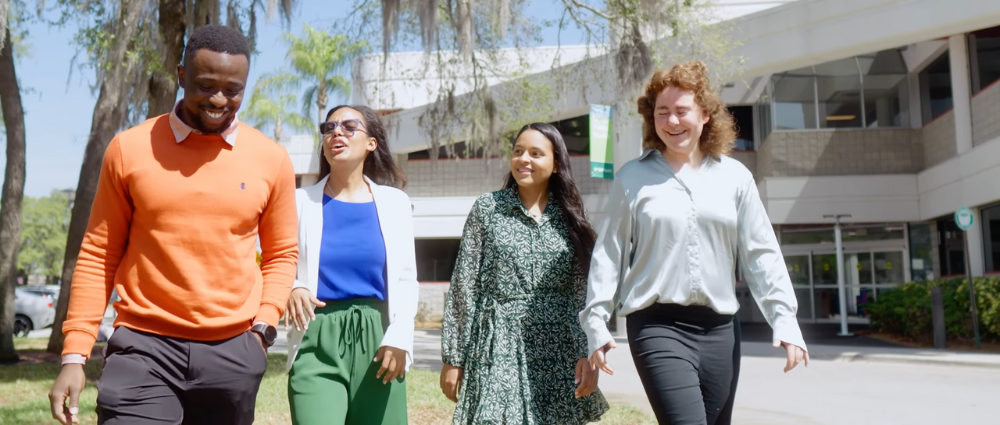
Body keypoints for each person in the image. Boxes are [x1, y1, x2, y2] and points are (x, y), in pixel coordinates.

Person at [47, 25, 298, 425]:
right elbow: (98, 254)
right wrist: (74, 355)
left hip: (234, 351)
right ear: (181, 76)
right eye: (205, 86)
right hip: (142, 349)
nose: (219, 100)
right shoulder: (129, 148)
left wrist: (263, 330)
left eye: (233, 90)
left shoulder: (271, 158)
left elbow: (282, 254)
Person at [582, 61, 809, 425]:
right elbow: (609, 255)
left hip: (721, 329)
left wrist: (784, 318)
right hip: (657, 325)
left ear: (705, 114)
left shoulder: (735, 177)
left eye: (682, 110)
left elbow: (761, 253)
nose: (672, 121)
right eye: (662, 112)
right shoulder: (632, 178)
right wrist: (596, 321)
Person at [441, 123, 610, 424]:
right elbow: (464, 285)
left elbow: (580, 293)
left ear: (556, 164)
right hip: (497, 343)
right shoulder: (488, 208)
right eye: (518, 151)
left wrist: (585, 352)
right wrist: (454, 358)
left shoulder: (571, 217)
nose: (524, 159)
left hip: (557, 347)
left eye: (535, 153)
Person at [284, 105, 417, 425]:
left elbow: (406, 278)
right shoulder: (299, 202)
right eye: (329, 128)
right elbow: (275, 259)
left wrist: (400, 336)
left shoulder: (395, 203)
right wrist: (293, 285)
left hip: (380, 338)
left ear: (371, 143)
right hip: (316, 335)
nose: (336, 133)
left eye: (348, 126)